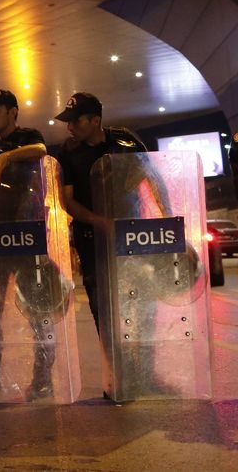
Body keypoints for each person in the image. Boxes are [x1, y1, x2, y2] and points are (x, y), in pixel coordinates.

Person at [0, 88, 61, 399]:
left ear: (13, 112)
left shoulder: (28, 136)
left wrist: (7, 156)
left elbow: (40, 150)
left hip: (26, 238)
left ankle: (42, 379)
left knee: (39, 312)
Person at [55, 93, 148, 329]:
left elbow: (149, 174)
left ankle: (142, 351)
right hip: (91, 237)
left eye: (76, 121)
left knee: (139, 297)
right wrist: (101, 222)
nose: (70, 127)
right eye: (68, 121)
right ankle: (109, 352)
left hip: (129, 233)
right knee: (101, 304)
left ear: (95, 120)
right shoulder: (68, 151)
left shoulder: (124, 140)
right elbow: (67, 200)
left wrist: (165, 212)